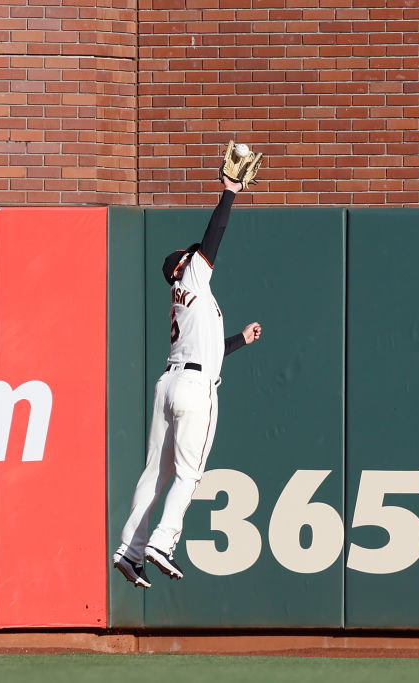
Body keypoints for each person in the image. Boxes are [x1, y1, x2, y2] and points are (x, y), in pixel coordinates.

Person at [113, 174, 262, 588]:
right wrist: (230, 191)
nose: (201, 259)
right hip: (195, 389)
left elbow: (207, 353)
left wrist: (241, 341)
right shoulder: (192, 278)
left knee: (153, 475)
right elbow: (214, 234)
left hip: (170, 383)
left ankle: (130, 548)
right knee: (189, 474)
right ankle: (163, 542)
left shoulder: (184, 301)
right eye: (193, 257)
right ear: (184, 266)